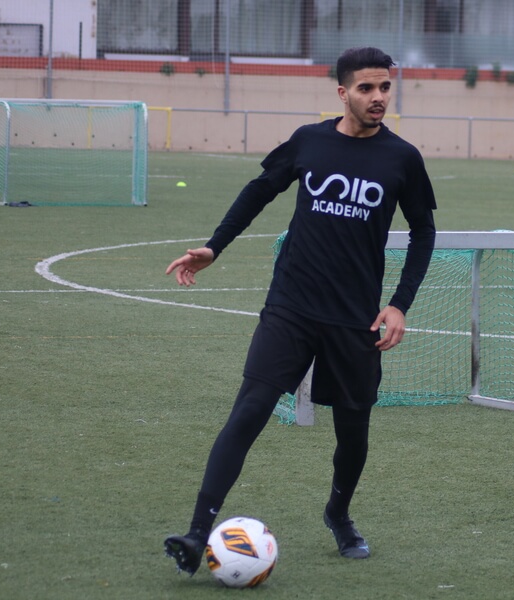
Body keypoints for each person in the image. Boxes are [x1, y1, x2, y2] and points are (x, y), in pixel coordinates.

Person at [163, 46, 437, 574]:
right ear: (342, 93)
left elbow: (424, 230)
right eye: (366, 88)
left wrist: (400, 304)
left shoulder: (401, 158)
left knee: (352, 432)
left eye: (384, 88)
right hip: (290, 305)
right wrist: (214, 248)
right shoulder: (309, 141)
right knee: (249, 411)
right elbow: (259, 190)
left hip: (355, 319)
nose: (377, 97)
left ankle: (338, 513)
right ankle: (198, 533)